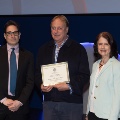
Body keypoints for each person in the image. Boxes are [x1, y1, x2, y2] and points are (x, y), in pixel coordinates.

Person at [35, 15, 90, 120]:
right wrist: (41, 85)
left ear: (67, 30)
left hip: (71, 104)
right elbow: (37, 74)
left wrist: (69, 85)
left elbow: (85, 75)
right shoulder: (43, 49)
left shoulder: (78, 49)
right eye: (53, 28)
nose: (56, 31)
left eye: (59, 28)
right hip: (49, 104)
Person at [0, 20, 34, 120]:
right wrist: (3, 99)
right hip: (1, 104)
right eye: (9, 33)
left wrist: (19, 102)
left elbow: (30, 82)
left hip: (20, 108)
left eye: (15, 33)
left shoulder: (28, 56)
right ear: (4, 36)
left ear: (19, 35)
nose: (12, 35)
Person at [86, 32, 120, 120]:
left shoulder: (117, 66)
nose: (102, 47)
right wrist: (87, 113)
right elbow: (92, 90)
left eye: (106, 44)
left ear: (111, 46)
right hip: (92, 113)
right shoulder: (95, 65)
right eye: (100, 44)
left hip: (107, 116)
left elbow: (118, 96)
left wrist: (113, 118)